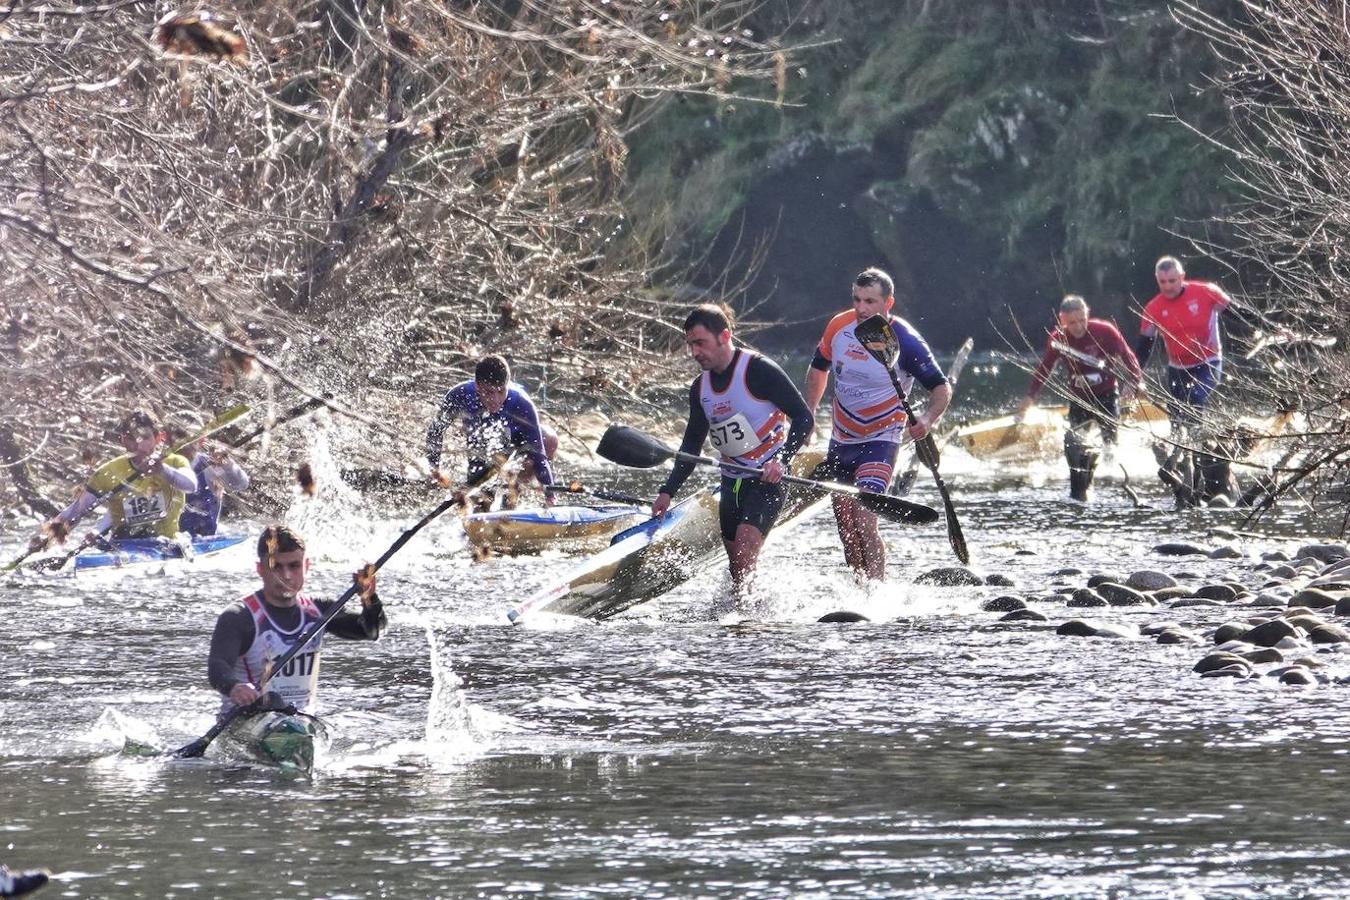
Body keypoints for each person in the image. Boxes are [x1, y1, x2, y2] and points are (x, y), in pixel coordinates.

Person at [652, 303, 815, 602]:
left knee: (744, 547)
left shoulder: (759, 370)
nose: (695, 352)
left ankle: (745, 617)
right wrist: (667, 491)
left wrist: (783, 460)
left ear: (724, 336)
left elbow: (804, 417)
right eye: (690, 345)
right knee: (738, 566)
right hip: (732, 482)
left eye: (700, 343)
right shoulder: (699, 389)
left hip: (769, 479)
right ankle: (745, 611)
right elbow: (690, 447)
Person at [803, 268, 951, 580]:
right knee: (845, 523)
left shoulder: (906, 341)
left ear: (888, 303)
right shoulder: (839, 326)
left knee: (864, 515)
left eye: (870, 301)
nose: (861, 308)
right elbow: (818, 369)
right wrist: (809, 414)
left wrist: (926, 419)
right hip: (841, 439)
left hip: (880, 441)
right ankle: (861, 590)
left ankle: (877, 592)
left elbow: (941, 388)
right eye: (857, 299)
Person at [207, 525, 385, 718]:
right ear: (260, 569)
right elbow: (218, 664)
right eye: (276, 567)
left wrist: (369, 599)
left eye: (294, 566)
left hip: (300, 721)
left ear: (306, 566)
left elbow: (371, 632)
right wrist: (234, 687)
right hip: (249, 719)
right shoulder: (238, 616)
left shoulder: (319, 611)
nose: (286, 576)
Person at [1016, 294, 1142, 502]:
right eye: (1072, 322)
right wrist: (1030, 396)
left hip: (1107, 393)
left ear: (1087, 315)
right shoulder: (1058, 338)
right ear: (1062, 320)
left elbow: (1128, 357)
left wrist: (1134, 381)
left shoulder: (1104, 331)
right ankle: (1081, 481)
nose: (1078, 326)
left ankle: (1111, 476)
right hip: (1079, 397)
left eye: (1082, 320)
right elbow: (1045, 368)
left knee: (1110, 443)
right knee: (1076, 442)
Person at [1133, 256, 1239, 503]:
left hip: (1208, 362)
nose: (1168, 286)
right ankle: (1182, 468)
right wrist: (1133, 377)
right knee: (1177, 420)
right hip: (1177, 368)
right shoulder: (1153, 308)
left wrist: (1269, 328)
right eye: (1162, 282)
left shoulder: (1206, 293)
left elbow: (1238, 313)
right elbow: (1144, 348)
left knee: (1196, 401)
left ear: (1182, 277)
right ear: (1157, 281)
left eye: (1172, 281)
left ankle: (1201, 464)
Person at [28, 409, 196, 551]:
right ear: (122, 440)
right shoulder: (108, 472)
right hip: (122, 545)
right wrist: (47, 535)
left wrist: (163, 470)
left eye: (144, 437)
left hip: (166, 543)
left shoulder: (174, 462)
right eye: (131, 437)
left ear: (160, 438)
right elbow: (78, 510)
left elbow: (190, 486)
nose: (138, 445)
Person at [425, 355, 558, 501]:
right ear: (477, 385)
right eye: (489, 392)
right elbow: (435, 431)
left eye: (501, 391)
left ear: (507, 384)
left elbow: (538, 452)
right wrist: (434, 468)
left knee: (549, 438)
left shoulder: (521, 402)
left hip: (516, 444)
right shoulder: (459, 395)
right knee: (482, 500)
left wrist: (550, 495)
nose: (495, 399)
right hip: (482, 449)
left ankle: (513, 495)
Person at [178, 437, 250, 537]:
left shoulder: (211, 466)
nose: (180, 441)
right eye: (174, 435)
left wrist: (227, 463)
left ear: (201, 441)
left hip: (202, 540)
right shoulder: (158, 465)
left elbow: (242, 484)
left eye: (182, 436)